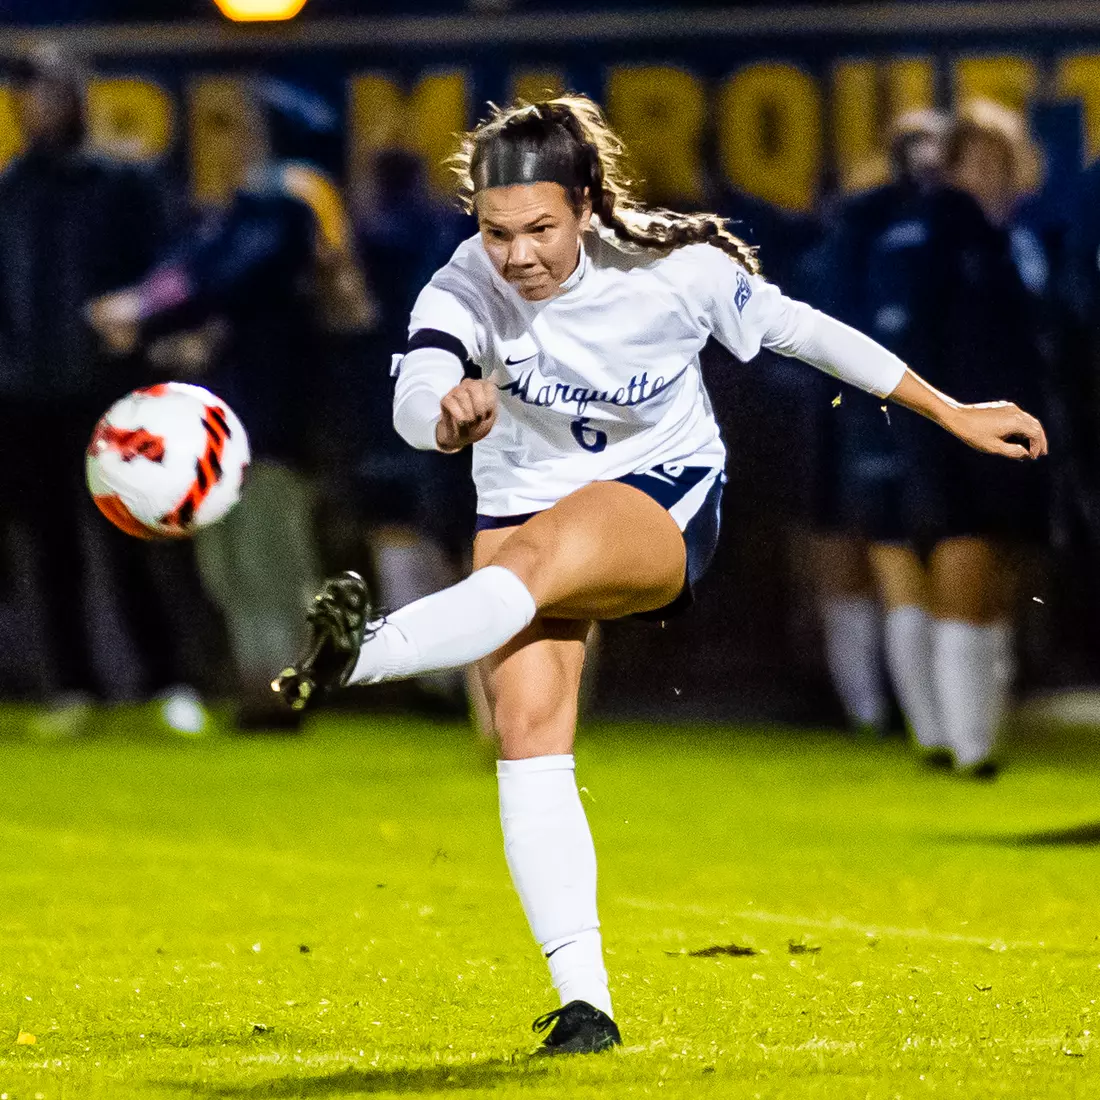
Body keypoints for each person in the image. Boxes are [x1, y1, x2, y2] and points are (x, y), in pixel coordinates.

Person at [271, 96, 1046, 1053]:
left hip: (661, 496)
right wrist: (443, 415)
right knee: (526, 732)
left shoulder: (677, 271)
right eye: (498, 231)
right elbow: (417, 388)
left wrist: (952, 409)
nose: (517, 254)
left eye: (541, 229)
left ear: (587, 205)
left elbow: (809, 333)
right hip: (518, 509)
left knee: (545, 553)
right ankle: (584, 1002)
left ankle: (358, 656)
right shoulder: (463, 282)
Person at [89, 79, 373, 732]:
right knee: (230, 561)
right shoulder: (251, 203)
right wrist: (153, 310)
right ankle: (261, 684)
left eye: (245, 125)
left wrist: (143, 310)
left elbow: (226, 273)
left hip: (274, 408)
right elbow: (197, 267)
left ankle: (284, 687)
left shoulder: (291, 195)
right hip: (237, 407)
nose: (234, 139)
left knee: (268, 553)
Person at [0, 45, 204, 737]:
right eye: (27, 94)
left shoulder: (124, 183)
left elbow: (176, 268)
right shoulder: (10, 192)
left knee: (135, 537)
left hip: (114, 392)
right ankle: (73, 686)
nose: (37, 106)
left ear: (76, 98)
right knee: (49, 546)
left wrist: (142, 307)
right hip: (29, 397)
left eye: (50, 92)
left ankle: (169, 680)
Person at [862, 100, 1049, 777]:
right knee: (956, 582)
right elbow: (900, 347)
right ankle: (962, 746)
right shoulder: (926, 236)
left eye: (1003, 159)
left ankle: (970, 737)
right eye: (979, 160)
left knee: (994, 588)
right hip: (945, 443)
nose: (992, 173)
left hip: (1009, 442)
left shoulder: (1012, 240)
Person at [807, 110, 951, 746]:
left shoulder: (970, 225)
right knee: (881, 555)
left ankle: (939, 721)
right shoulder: (862, 224)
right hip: (866, 415)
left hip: (941, 417)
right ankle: (882, 715)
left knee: (943, 565)